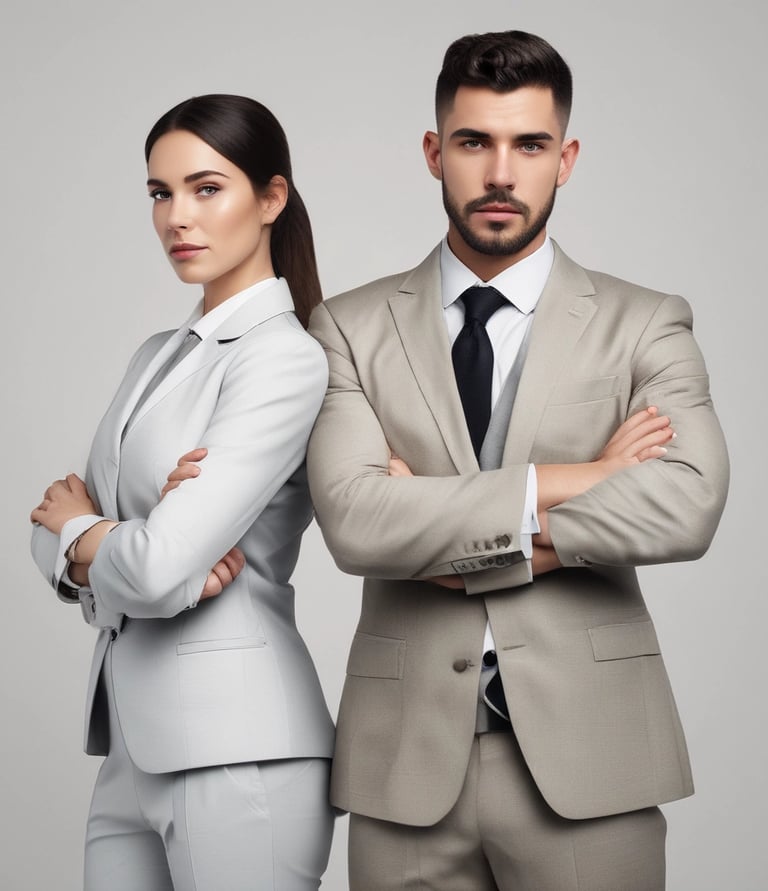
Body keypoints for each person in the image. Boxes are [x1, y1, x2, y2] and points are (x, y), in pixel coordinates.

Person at [305, 30, 729, 891]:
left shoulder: (645, 322)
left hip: (593, 761)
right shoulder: (346, 327)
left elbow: (687, 501)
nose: (501, 174)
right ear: (435, 153)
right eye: (475, 142)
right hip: (402, 769)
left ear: (564, 159)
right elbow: (355, 523)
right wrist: (586, 478)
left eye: (529, 145)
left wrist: (446, 531)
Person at [30, 94, 335, 891]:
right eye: (161, 193)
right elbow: (49, 522)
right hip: (131, 745)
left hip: (240, 747)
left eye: (206, 189)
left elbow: (148, 560)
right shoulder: (156, 355)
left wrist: (92, 537)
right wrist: (111, 542)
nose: (177, 218)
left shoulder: (282, 358)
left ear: (270, 198)